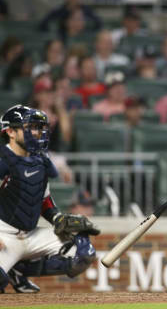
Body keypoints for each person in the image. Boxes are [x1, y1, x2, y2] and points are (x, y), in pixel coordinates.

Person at [0, 105, 100, 293]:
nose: (37, 133)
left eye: (39, 128)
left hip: (31, 235)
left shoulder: (40, 160)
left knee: (84, 253)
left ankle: (18, 270)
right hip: (3, 235)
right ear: (11, 132)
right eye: (30, 127)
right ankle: (11, 269)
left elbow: (44, 201)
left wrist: (57, 218)